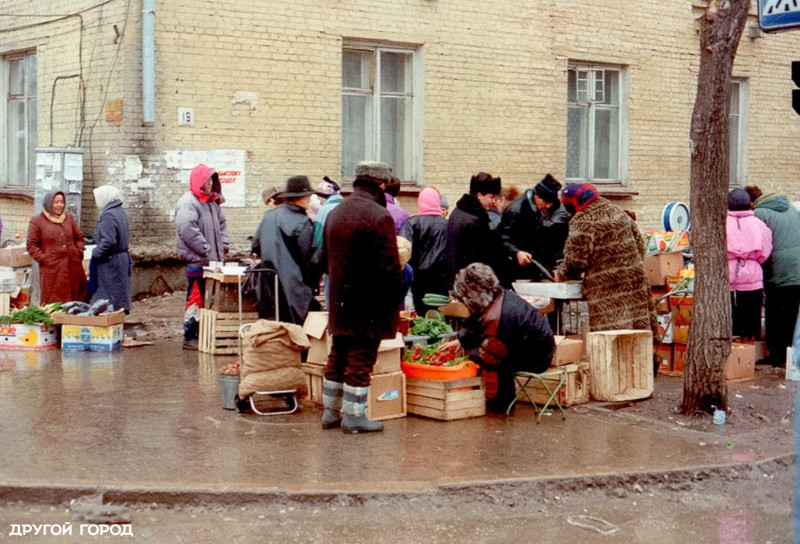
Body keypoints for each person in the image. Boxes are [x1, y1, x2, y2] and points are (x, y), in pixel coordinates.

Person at [321, 160, 404, 434]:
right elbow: (391, 268)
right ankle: (355, 416)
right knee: (361, 356)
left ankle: (330, 412)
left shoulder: (335, 212)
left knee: (339, 353)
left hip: (339, 301)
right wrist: (396, 297)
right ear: (381, 185)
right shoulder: (380, 216)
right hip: (369, 303)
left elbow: (323, 259)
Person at [440, 263, 555, 414]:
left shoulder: (501, 315)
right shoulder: (496, 295)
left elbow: (496, 350)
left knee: (486, 355)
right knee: (481, 352)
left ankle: (499, 404)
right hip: (532, 346)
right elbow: (477, 320)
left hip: (538, 356)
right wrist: (460, 340)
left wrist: (471, 347)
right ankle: (489, 399)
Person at [554, 183, 657, 336]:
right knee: (638, 333)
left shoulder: (584, 221)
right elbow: (640, 244)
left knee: (611, 337)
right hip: (635, 282)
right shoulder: (617, 211)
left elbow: (575, 261)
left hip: (607, 289)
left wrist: (562, 273)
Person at [251, 175, 321, 325]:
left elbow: (255, 246)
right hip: (294, 290)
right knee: (298, 336)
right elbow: (311, 260)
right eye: (308, 195)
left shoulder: (269, 216)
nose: (310, 199)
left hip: (268, 287)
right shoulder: (302, 222)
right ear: (301, 197)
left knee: (273, 334)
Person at [175, 164, 229, 350]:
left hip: (213, 263)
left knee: (210, 301)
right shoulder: (188, 202)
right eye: (206, 179)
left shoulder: (212, 203)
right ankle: (190, 336)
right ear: (198, 181)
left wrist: (224, 245)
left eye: (212, 179)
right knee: (195, 300)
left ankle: (205, 334)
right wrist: (206, 249)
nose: (210, 183)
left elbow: (222, 225)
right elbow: (187, 229)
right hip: (198, 262)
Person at [746, 186, 800, 366]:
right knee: (791, 312)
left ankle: (776, 356)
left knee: (775, 312)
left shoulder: (759, 214)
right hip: (797, 267)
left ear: (751, 203)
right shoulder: (791, 208)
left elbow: (758, 244)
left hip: (779, 268)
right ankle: (789, 356)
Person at [500, 173, 570, 282]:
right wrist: (517, 252)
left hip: (534, 266)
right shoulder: (516, 209)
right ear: (536, 196)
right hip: (516, 269)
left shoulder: (541, 207)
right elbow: (502, 237)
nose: (548, 206)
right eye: (546, 202)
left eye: (550, 203)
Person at [444, 172, 508, 288]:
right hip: (470, 284)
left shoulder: (458, 211)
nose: (494, 201)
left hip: (458, 279)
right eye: (491, 197)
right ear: (480, 195)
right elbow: (483, 257)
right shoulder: (475, 221)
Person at [27, 190, 88, 304]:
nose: (60, 205)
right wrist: (45, 259)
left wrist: (78, 251)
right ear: (49, 203)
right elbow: (31, 245)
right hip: (52, 271)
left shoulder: (68, 218)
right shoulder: (37, 221)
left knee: (76, 301)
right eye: (56, 202)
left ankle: (72, 321)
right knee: (55, 302)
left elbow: (79, 237)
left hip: (73, 267)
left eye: (62, 202)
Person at [726, 188, 772, 343]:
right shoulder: (759, 224)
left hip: (728, 274)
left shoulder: (721, 224)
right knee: (751, 316)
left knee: (730, 317)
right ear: (750, 204)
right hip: (752, 275)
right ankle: (749, 351)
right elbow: (765, 251)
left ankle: (733, 353)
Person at [399, 187, 449, 315]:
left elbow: (404, 250)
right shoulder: (447, 224)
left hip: (418, 278)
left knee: (421, 312)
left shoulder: (412, 223)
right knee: (439, 313)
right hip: (441, 279)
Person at [89, 185, 132, 313]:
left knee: (109, 298)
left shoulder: (108, 214)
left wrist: (95, 253)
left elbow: (108, 241)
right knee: (120, 295)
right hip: (121, 259)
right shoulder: (120, 211)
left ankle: (108, 326)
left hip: (111, 262)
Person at [312, 176, 343, 251]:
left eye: (318, 195)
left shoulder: (323, 210)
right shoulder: (346, 206)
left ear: (322, 196)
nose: (318, 198)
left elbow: (318, 237)